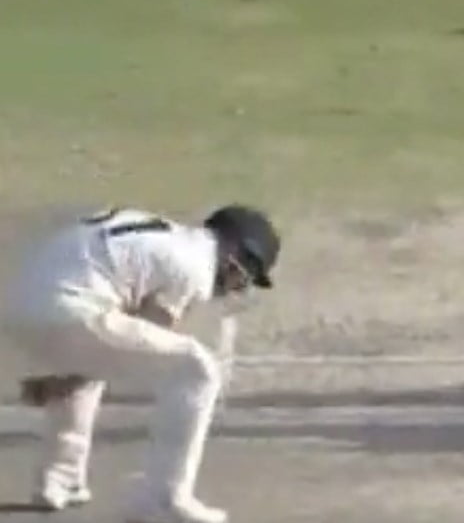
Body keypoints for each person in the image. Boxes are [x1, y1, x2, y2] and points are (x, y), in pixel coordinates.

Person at [2, 204, 281, 522]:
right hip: (70, 306)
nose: (240, 286)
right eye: (248, 275)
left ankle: (61, 480)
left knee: (91, 360)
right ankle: (166, 496)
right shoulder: (197, 267)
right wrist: (66, 374)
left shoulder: (166, 235)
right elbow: (148, 331)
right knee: (197, 370)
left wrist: (59, 372)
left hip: (18, 305)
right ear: (236, 253)